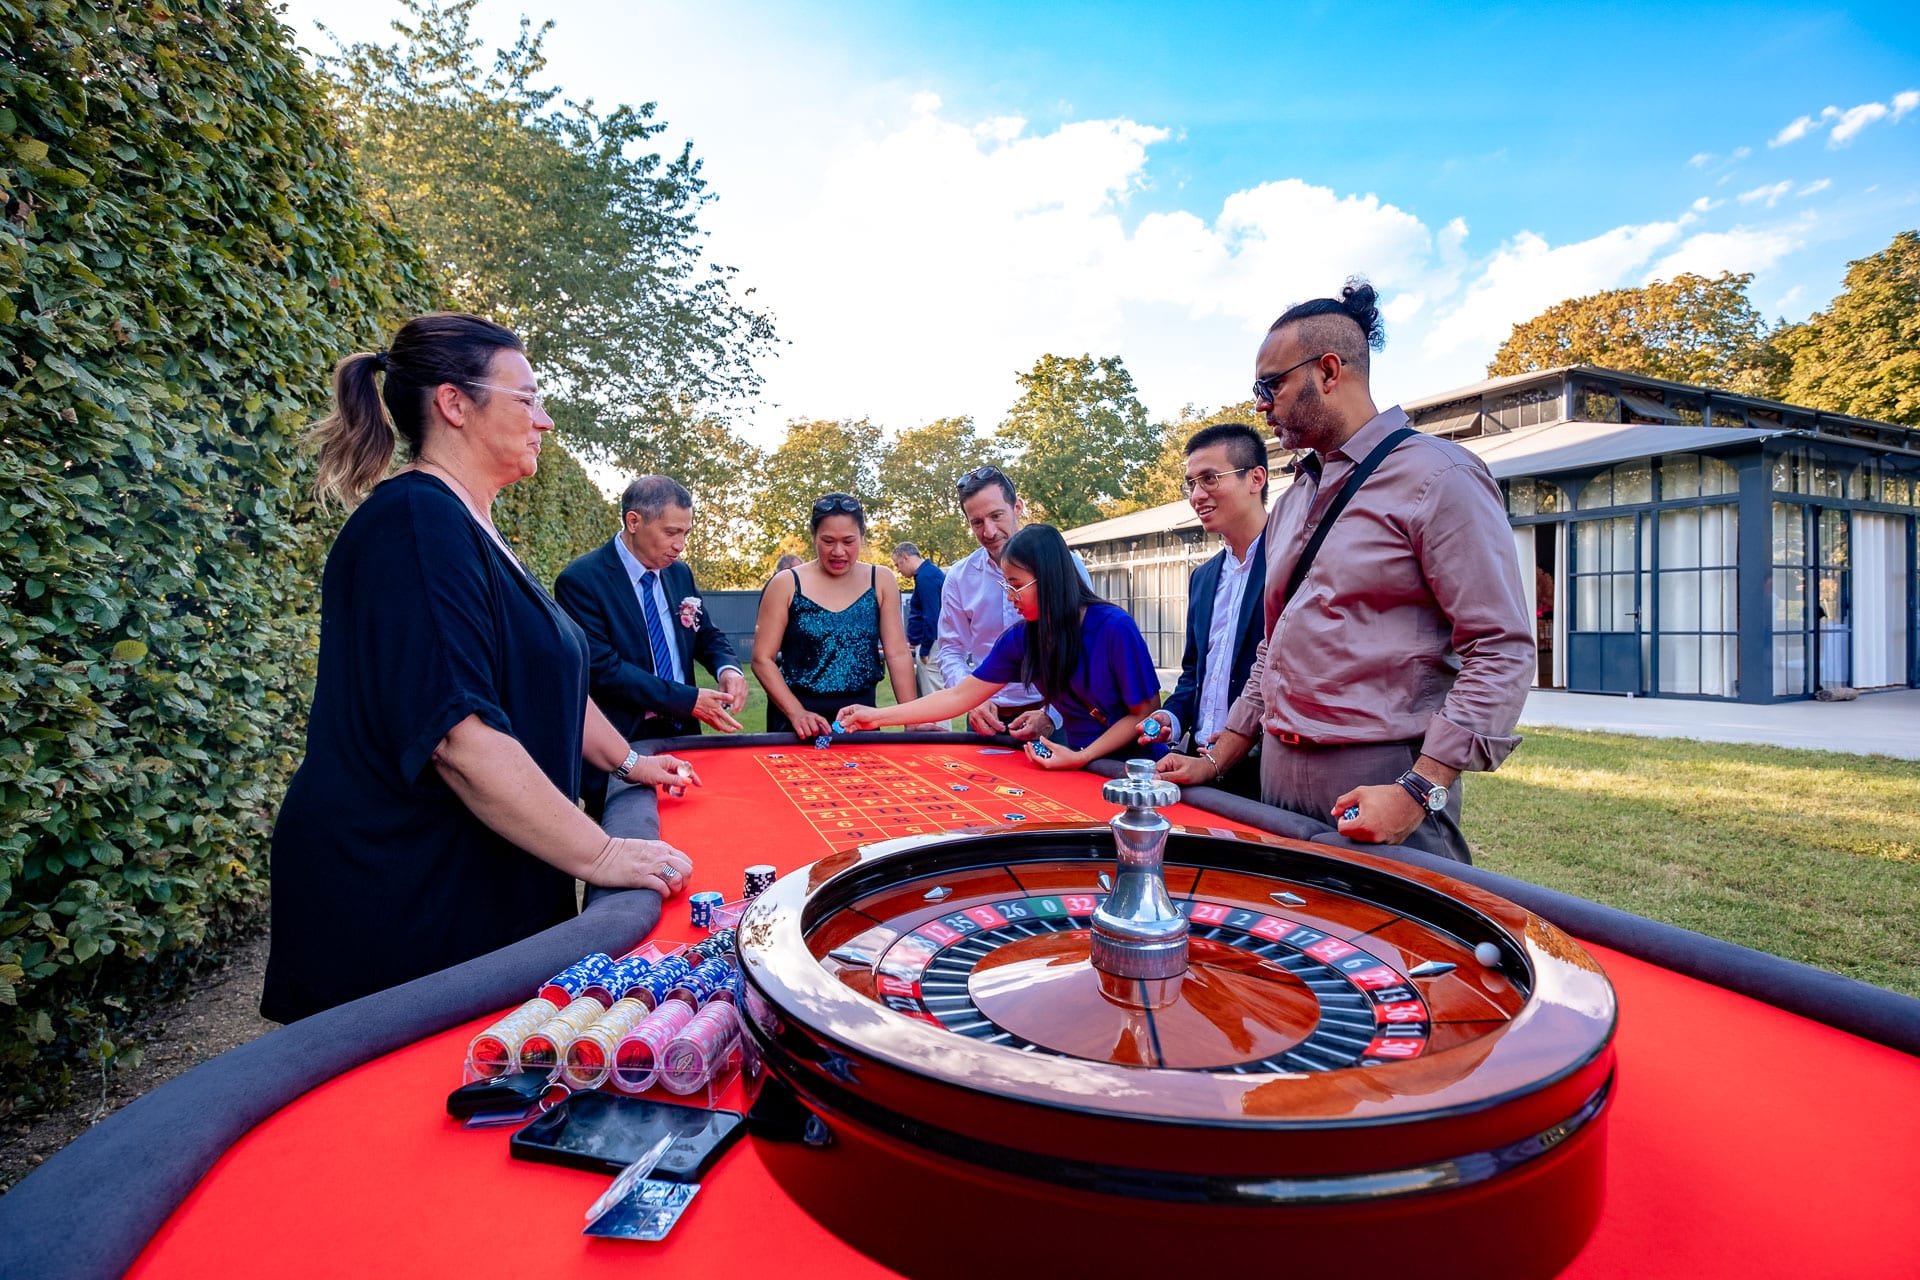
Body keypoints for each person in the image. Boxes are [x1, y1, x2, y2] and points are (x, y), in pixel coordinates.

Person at [262, 313, 695, 1023]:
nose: (544, 421)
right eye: (526, 399)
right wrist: (602, 851)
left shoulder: (474, 524)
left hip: (475, 882)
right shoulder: (416, 524)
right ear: (454, 404)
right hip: (408, 895)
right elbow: (459, 735)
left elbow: (547, 678)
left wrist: (628, 765)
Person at [1154, 281, 1533, 862]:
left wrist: (1418, 790)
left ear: (1329, 371)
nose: (1261, 404)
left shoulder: (1441, 477)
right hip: (1273, 783)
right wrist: (1218, 756)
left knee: (1392, 951)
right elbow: (1272, 649)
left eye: (1270, 384)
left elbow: (1500, 649)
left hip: (1379, 778)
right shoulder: (1294, 497)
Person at [840, 524, 1164, 770]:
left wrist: (1084, 755)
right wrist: (878, 715)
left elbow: (1144, 711)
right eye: (1005, 584)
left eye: (1017, 585)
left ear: (1049, 578)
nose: (1010, 596)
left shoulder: (1113, 626)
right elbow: (958, 696)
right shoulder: (1021, 639)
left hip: (1134, 769)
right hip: (1079, 766)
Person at [554, 475, 748, 817]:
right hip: (620, 738)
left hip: (682, 734)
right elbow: (604, 669)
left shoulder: (679, 574)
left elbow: (705, 633)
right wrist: (688, 700)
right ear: (634, 521)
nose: (680, 545)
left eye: (685, 533)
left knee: (692, 824)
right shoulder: (581, 580)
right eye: (671, 532)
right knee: (628, 843)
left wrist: (727, 668)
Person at [1136, 422, 1270, 799]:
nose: (1196, 495)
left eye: (1210, 479)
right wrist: (1172, 717)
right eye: (1191, 484)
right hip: (1197, 766)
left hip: (1263, 771)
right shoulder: (1204, 577)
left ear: (1255, 478)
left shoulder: (1291, 562)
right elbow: (1195, 673)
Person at [934, 466, 1092, 740]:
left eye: (996, 516)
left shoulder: (1067, 564)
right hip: (985, 719)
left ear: (1017, 507)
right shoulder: (959, 577)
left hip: (1054, 718)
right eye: (977, 522)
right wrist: (971, 699)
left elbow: (1084, 644)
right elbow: (950, 650)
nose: (989, 531)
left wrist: (1051, 715)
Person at [752, 493, 919, 739]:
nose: (838, 551)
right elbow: (762, 659)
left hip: (860, 718)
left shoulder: (881, 580)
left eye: (849, 541)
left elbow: (897, 653)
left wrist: (911, 719)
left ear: (862, 536)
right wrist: (797, 713)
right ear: (813, 536)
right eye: (828, 541)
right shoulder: (786, 583)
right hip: (797, 722)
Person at [891, 542, 947, 697]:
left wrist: (924, 649)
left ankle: (937, 723)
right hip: (929, 642)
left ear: (906, 557)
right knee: (926, 697)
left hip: (931, 644)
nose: (898, 570)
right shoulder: (927, 574)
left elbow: (932, 615)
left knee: (933, 698)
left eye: (898, 564)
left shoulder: (926, 577)